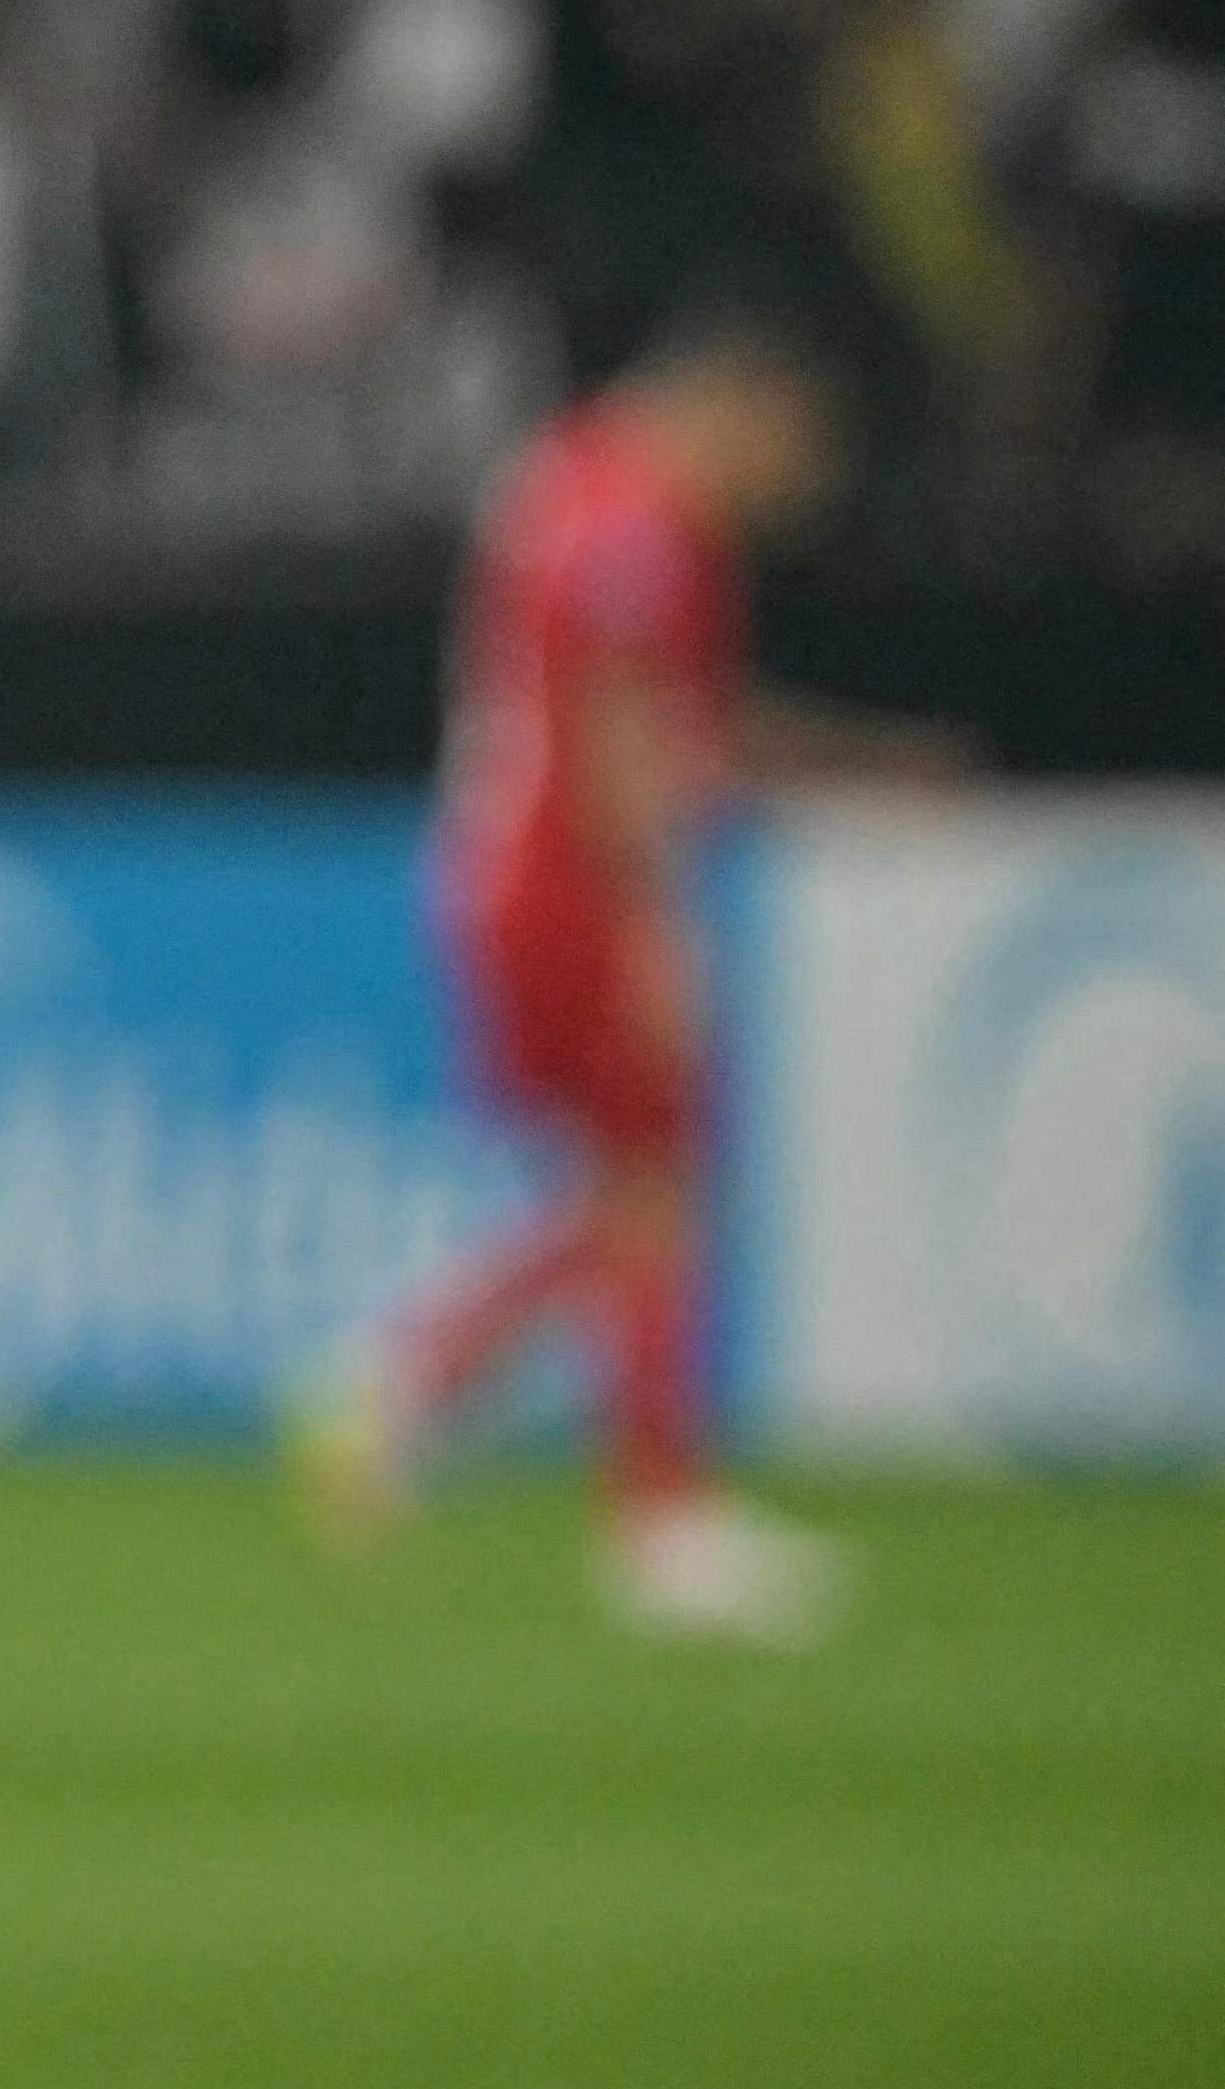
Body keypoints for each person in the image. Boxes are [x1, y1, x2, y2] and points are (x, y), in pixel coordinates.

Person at [300, 297, 955, 1645]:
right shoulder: (635, 521)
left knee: (629, 1196)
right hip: (570, 884)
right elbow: (618, 734)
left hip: (508, 866)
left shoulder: (567, 482)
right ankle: (654, 1519)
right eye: (792, 452)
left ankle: (415, 1379)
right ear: (745, 407)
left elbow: (675, 720)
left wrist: (857, 762)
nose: (790, 489)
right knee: (653, 1189)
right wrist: (652, 921)